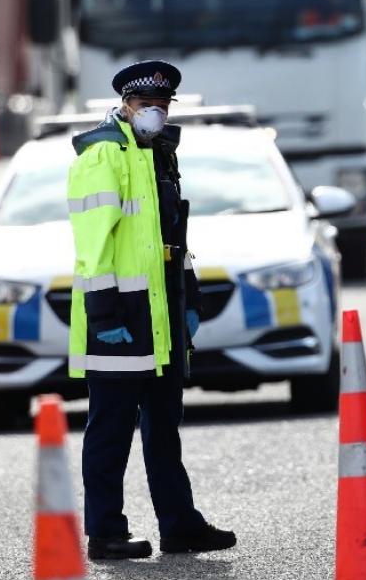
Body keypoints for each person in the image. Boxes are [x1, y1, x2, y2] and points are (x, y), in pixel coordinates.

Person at [66, 59, 236, 559]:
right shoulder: (103, 155)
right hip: (119, 316)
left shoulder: (160, 154)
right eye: (146, 105)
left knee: (164, 428)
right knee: (110, 431)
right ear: (125, 105)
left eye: (162, 106)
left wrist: (189, 295)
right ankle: (105, 533)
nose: (155, 113)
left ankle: (179, 525)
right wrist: (105, 315)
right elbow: (93, 245)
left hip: (159, 315)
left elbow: (170, 237)